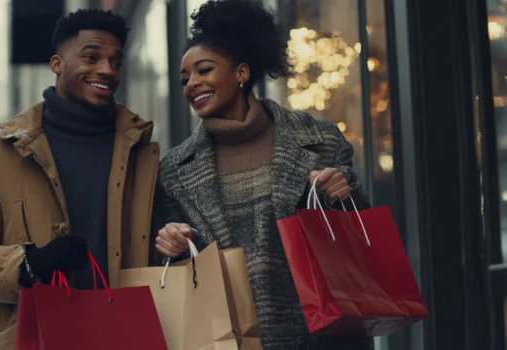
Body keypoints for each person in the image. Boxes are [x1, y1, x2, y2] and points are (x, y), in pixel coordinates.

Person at [154, 1, 372, 349]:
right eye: (185, 78)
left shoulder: (319, 140)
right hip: (230, 339)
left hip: (323, 337)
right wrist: (172, 242)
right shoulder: (174, 170)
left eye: (204, 70)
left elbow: (359, 237)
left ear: (241, 73)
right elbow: (176, 262)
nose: (192, 84)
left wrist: (345, 193)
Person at [0, 9, 159, 349]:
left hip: (121, 335)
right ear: (57, 64)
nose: (106, 69)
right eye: (91, 57)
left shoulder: (143, 155)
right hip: (30, 337)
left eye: (115, 62)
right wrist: (28, 264)